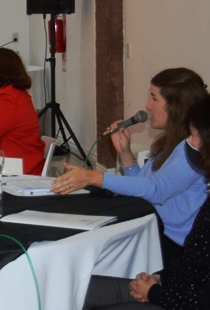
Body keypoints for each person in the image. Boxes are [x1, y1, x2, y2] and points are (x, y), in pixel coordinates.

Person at [51, 68, 208, 262]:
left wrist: (95, 177)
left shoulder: (193, 148)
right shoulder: (170, 141)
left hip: (173, 247)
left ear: (176, 105)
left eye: (154, 98)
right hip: (154, 230)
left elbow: (156, 190)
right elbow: (143, 187)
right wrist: (125, 153)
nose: (148, 106)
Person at [81, 94, 210, 310]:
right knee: (78, 289)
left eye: (195, 135)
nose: (191, 142)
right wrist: (160, 278)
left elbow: (155, 190)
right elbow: (193, 266)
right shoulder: (170, 147)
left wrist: (153, 292)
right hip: (174, 285)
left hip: (176, 296)